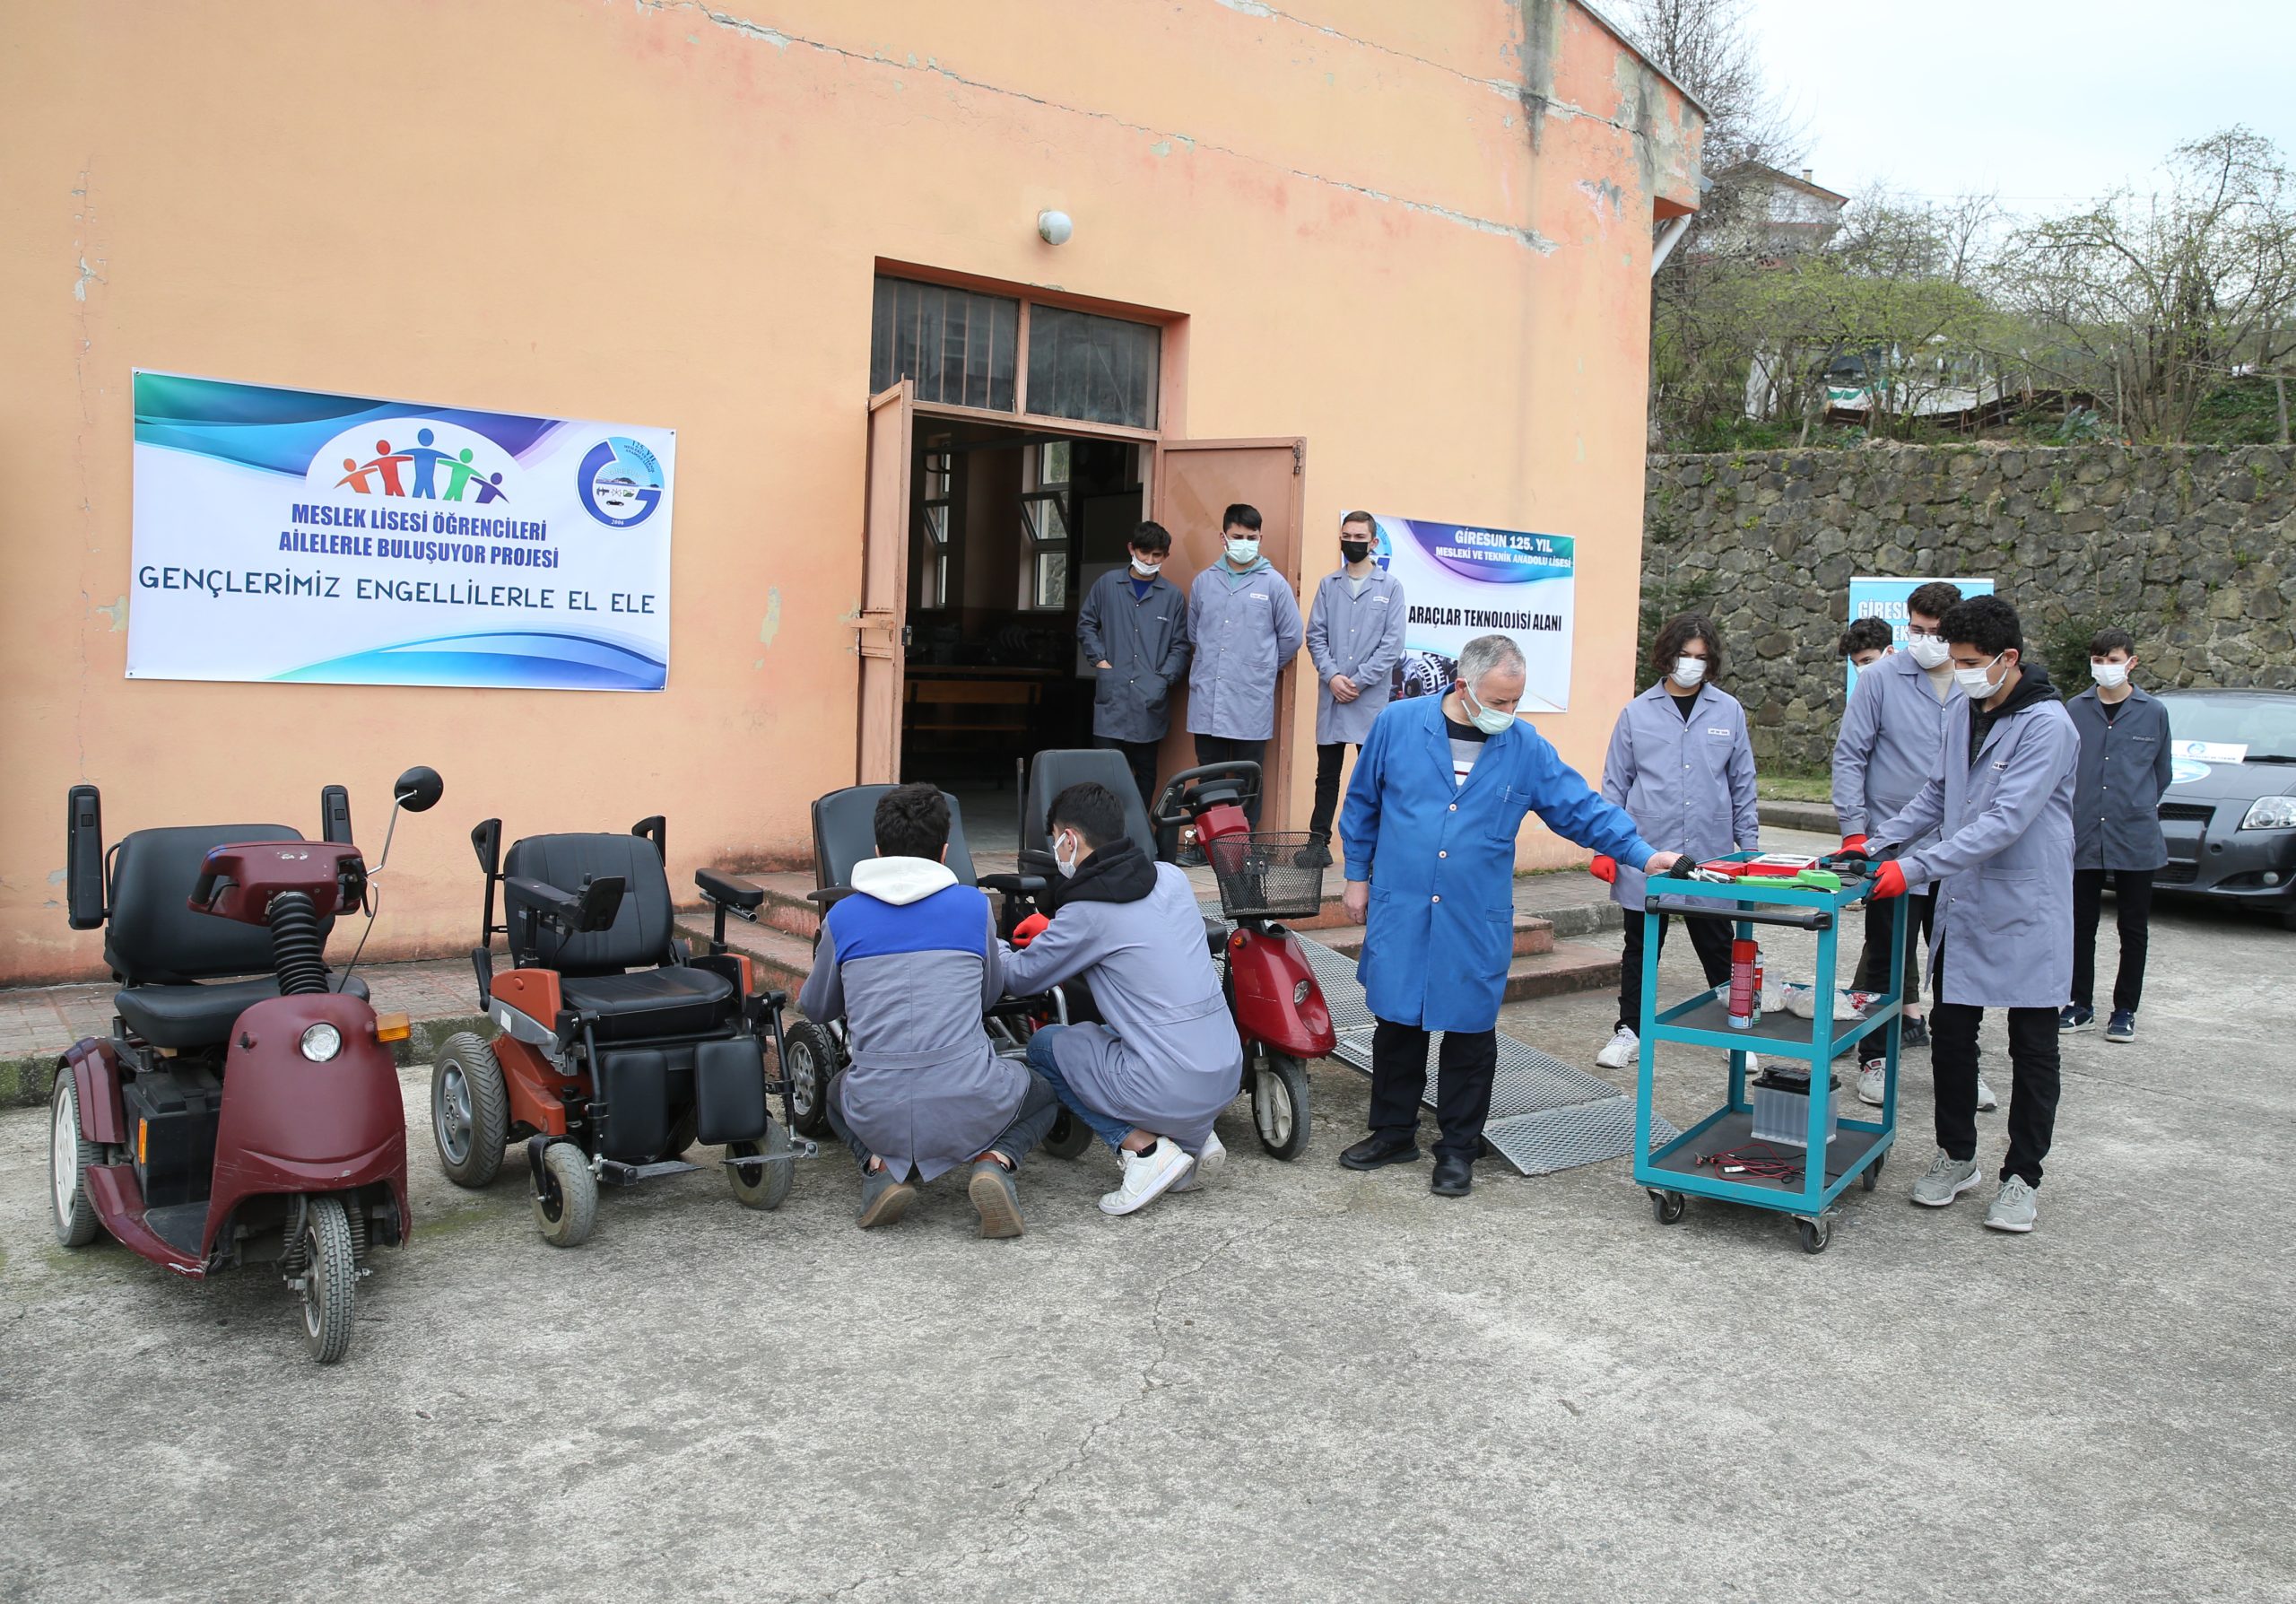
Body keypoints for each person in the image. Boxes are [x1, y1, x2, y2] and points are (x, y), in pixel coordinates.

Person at [1336, 633, 1683, 1198]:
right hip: (1402, 903)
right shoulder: (1398, 724)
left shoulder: (1524, 747)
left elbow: (1581, 810)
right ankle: (1394, 1132)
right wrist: (1356, 876)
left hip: (1474, 914)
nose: (1508, 713)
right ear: (1462, 687)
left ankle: (1457, 1149)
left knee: (1470, 1031)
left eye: (1515, 701)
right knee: (1397, 1022)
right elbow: (1363, 802)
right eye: (1497, 702)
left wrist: (1643, 854)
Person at [1858, 594, 2077, 1234]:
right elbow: (1936, 793)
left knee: (2033, 1046)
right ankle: (1957, 1155)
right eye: (1956, 661)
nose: (1962, 672)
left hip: (2024, 903)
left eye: (1973, 661)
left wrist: (1913, 868)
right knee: (1951, 1036)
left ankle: (2022, 1176)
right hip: (1964, 900)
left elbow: (2004, 821)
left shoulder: (2049, 726)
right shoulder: (1963, 705)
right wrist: (1874, 844)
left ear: (2009, 658)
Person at [796, 784, 1060, 1239]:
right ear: (944, 853)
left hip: (879, 1108)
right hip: (971, 1102)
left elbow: (819, 1007)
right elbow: (988, 993)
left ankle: (879, 1169)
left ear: (878, 851)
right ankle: (993, 1163)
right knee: (1043, 1090)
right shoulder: (973, 907)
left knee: (839, 1090)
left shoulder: (842, 917)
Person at [1000, 781, 1244, 1216]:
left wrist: (987, 940)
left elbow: (1019, 977)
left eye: (1054, 838)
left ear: (1068, 839)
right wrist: (1057, 932)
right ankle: (1195, 1137)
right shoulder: (1170, 877)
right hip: (1225, 1069)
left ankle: (1144, 1152)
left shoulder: (1087, 913)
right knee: (1133, 1026)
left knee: (1044, 1047)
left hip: (1170, 1082)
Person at [1831, 581, 1999, 1113]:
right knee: (1885, 959)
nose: (1924, 641)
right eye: (1915, 630)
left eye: (1935, 632)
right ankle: (1875, 1060)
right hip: (1892, 848)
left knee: (1958, 965)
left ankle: (1962, 1069)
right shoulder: (1880, 679)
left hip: (1960, 852)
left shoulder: (1979, 684)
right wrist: (1856, 834)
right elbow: (1850, 756)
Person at [1590, 615, 1760, 1072]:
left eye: (1702, 658)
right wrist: (1606, 847)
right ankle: (1631, 1030)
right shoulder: (1636, 713)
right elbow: (1615, 784)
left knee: (1720, 943)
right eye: (1685, 655)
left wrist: (1751, 850)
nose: (1692, 665)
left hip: (1713, 852)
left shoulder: (1728, 711)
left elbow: (1743, 784)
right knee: (1642, 946)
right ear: (1667, 656)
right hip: (1648, 851)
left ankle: (1738, 1032)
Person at [2063, 627, 2173, 1042]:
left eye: (2112, 660)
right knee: (2080, 925)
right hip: (2083, 833)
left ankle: (2125, 1009)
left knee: (2133, 928)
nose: (2104, 667)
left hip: (2135, 835)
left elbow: (2161, 774)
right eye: (2098, 659)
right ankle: (2079, 1004)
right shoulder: (2075, 709)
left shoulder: (2153, 711)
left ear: (2131, 663)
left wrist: (2134, 804)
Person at [1185, 502, 1303, 830]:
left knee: (1249, 773)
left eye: (1251, 537)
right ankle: (1209, 840)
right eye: (1238, 536)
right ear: (1223, 537)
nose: (1244, 542)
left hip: (1250, 699)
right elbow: (1194, 632)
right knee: (1208, 773)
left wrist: (1262, 667)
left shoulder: (1274, 584)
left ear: (1260, 537)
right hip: (1210, 696)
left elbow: (1292, 637)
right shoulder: (1204, 582)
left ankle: (1244, 842)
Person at [1300, 510, 1406, 869]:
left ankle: (1374, 846)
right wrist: (1332, 677)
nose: (1353, 543)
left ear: (1374, 542)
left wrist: (1357, 681)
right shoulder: (1328, 585)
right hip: (1333, 695)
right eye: (1347, 536)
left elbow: (1392, 646)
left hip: (1368, 698)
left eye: (1360, 537)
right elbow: (1314, 635)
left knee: (1372, 777)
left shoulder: (1390, 587)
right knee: (1326, 774)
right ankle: (1318, 843)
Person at [1077, 519, 1192, 814]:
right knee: (1105, 771)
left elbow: (1180, 645)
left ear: (1165, 556)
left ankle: (1138, 833)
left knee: (1145, 772)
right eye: (1144, 553)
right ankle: (1104, 833)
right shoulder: (1107, 584)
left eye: (1157, 556)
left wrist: (1163, 679)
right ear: (1131, 549)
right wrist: (1101, 660)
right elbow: (1087, 624)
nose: (1149, 561)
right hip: (1112, 695)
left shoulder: (1172, 596)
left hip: (1149, 700)